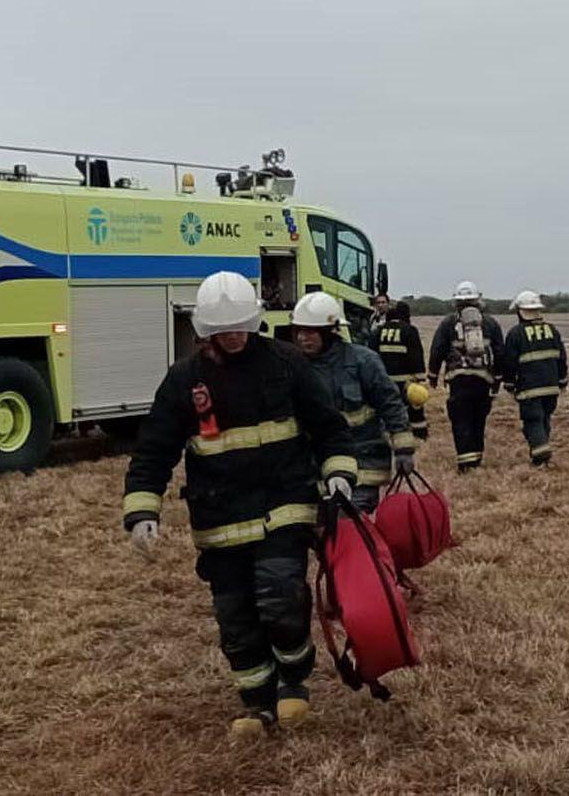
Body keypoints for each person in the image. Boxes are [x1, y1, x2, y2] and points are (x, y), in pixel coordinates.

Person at [121, 272, 358, 736]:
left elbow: (329, 426)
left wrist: (339, 472)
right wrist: (142, 511)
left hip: (283, 508)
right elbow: (154, 449)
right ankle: (258, 703)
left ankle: (293, 680)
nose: (232, 337)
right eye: (222, 329)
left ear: (253, 322)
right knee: (237, 621)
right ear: (204, 330)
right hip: (219, 522)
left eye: (240, 327)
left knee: (280, 598)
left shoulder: (286, 364)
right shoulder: (185, 381)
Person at [291, 291, 416, 512]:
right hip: (313, 470)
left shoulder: (363, 361)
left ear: (330, 331)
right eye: (299, 331)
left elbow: (390, 404)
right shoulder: (293, 367)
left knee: (347, 526)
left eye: (310, 332)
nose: (302, 338)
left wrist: (404, 450)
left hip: (363, 467)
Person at [428, 280, 504, 472]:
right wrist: (498, 379)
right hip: (483, 380)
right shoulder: (490, 323)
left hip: (458, 380)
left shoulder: (448, 323)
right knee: (479, 419)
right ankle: (476, 458)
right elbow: (499, 352)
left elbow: (437, 349)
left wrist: (433, 374)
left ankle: (465, 462)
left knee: (461, 419)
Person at [500, 290, 568, 466]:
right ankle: (541, 451)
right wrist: (562, 380)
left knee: (532, 421)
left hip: (529, 389)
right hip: (551, 387)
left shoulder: (516, 333)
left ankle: (540, 456)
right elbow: (562, 357)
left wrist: (508, 383)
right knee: (544, 419)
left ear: (519, 311)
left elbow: (509, 362)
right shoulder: (552, 330)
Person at [371, 300, 430, 439]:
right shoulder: (409, 330)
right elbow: (416, 356)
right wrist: (420, 378)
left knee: (386, 410)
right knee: (415, 410)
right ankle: (419, 436)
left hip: (384, 382)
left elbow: (371, 356)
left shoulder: (377, 331)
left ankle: (387, 435)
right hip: (407, 383)